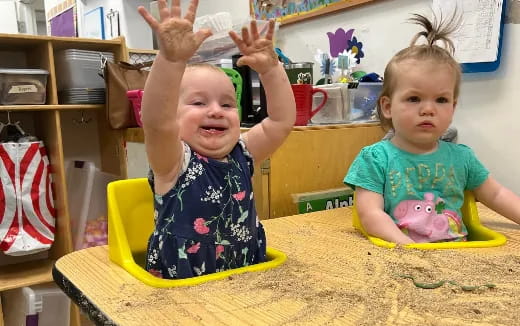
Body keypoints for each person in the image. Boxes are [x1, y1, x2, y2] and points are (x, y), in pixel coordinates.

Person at [137, 0, 295, 279]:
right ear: (173, 116)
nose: (215, 111)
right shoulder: (173, 161)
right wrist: (170, 61)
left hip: (245, 272)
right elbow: (156, 122)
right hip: (184, 283)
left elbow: (281, 122)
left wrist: (271, 70)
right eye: (198, 103)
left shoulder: (242, 153)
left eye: (227, 104)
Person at [344, 13, 520, 244]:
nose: (428, 109)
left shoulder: (463, 158)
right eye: (414, 98)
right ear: (387, 107)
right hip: (401, 254)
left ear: (453, 107)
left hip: (459, 255)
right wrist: (410, 249)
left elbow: (496, 194)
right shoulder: (375, 159)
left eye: (441, 100)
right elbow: (370, 214)